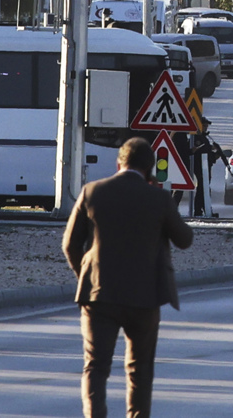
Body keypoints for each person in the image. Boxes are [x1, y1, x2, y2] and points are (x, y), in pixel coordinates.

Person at [62, 137, 194, 418]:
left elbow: (70, 245)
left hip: (100, 295)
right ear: (148, 169)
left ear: (118, 162)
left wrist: (85, 277)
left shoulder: (92, 191)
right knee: (140, 369)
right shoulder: (158, 199)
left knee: (96, 367)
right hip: (145, 298)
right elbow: (184, 239)